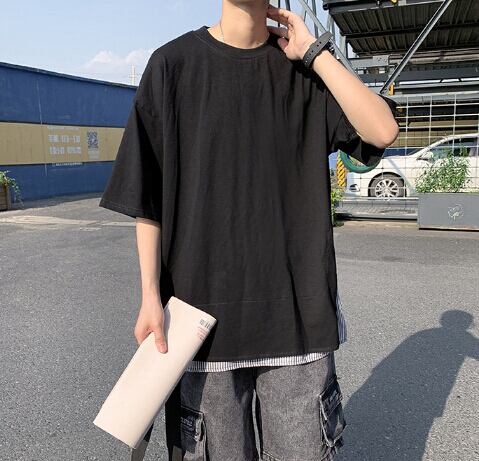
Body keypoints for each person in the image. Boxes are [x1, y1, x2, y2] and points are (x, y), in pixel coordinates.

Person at [99, 1, 399, 460]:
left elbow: (382, 131)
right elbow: (147, 196)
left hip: (296, 323)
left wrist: (316, 53)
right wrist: (149, 296)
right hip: (200, 326)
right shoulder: (172, 66)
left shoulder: (306, 69)